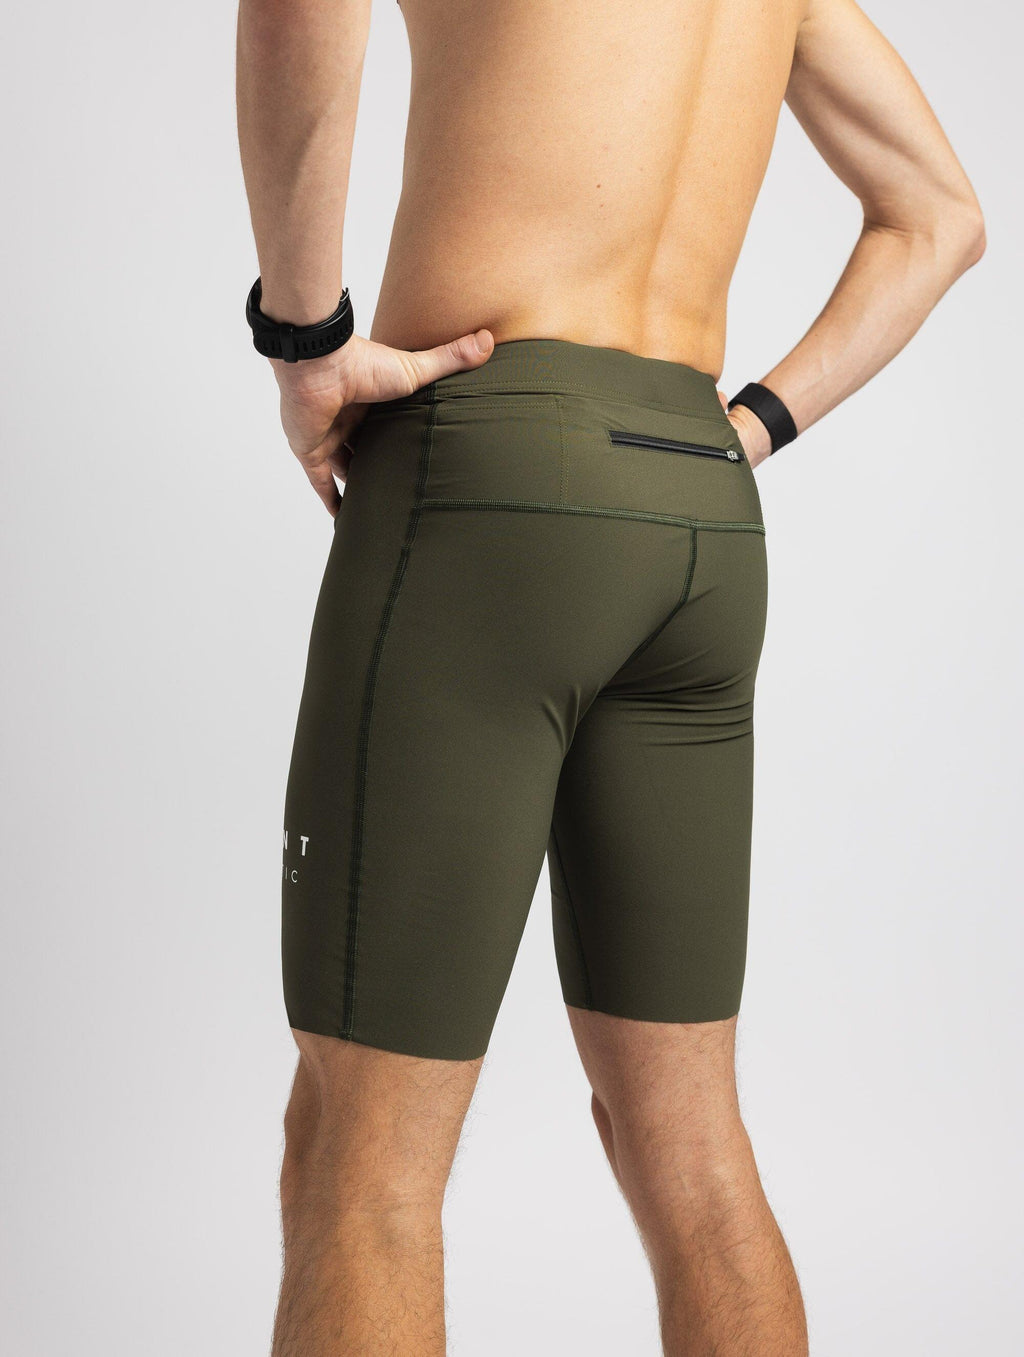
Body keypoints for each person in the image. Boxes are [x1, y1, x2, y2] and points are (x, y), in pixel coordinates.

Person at [235, 0, 984, 1350]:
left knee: (365, 1162)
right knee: (690, 1148)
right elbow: (941, 215)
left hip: (490, 473)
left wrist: (305, 340)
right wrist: (749, 427)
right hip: (699, 516)